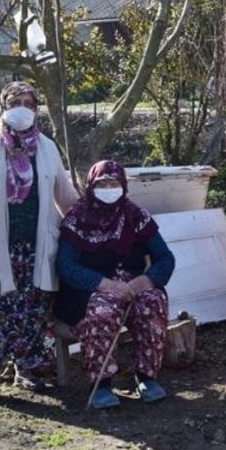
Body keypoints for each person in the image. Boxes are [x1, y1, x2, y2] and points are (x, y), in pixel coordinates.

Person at [0, 82, 80, 402]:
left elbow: (65, 195)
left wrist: (93, 219)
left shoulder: (46, 147)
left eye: (29, 102)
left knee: (33, 311)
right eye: (16, 101)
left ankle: (26, 368)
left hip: (37, 246)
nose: (23, 107)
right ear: (3, 105)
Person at [54, 161, 176, 409]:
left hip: (133, 286)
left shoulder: (136, 216)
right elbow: (66, 266)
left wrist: (144, 281)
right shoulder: (77, 218)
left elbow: (165, 257)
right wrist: (105, 285)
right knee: (104, 309)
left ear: (123, 186)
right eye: (102, 184)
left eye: (114, 183)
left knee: (154, 301)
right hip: (90, 290)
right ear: (91, 186)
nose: (109, 188)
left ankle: (146, 377)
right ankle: (101, 384)